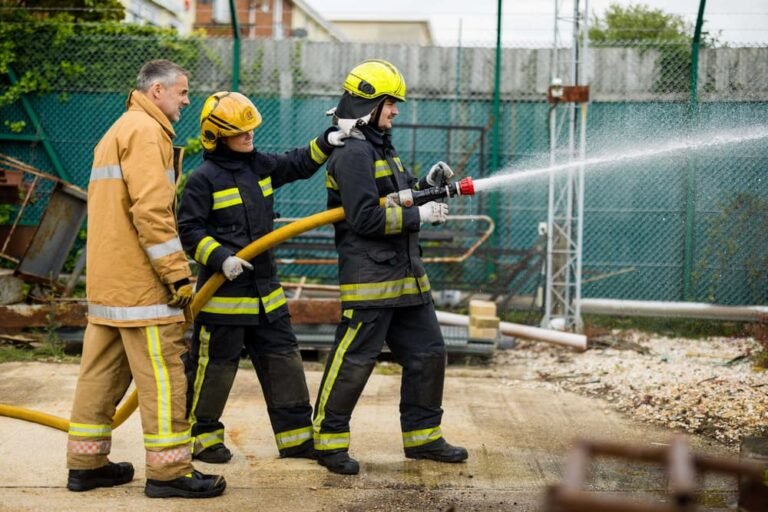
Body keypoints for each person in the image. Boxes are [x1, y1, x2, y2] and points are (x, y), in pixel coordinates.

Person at [66, 59, 226, 499]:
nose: (187, 101)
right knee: (163, 376)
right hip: (142, 288)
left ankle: (86, 464)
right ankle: (170, 474)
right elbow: (152, 212)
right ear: (157, 90)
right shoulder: (146, 132)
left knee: (99, 375)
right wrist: (178, 276)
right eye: (182, 92)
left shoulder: (120, 128)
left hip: (108, 282)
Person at [312, 59, 468, 475]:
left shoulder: (379, 143)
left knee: (429, 353)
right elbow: (363, 217)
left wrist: (425, 187)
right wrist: (423, 215)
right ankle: (328, 442)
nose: (396, 110)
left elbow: (395, 197)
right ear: (368, 104)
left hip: (405, 278)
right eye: (390, 103)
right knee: (354, 361)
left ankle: (423, 438)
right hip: (370, 280)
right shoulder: (353, 153)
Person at [177, 91, 346, 463]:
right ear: (216, 135)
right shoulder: (203, 180)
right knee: (214, 370)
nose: (249, 135)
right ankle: (202, 438)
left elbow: (297, 163)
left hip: (267, 296)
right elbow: (189, 229)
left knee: (285, 362)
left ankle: (296, 439)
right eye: (241, 131)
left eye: (251, 128)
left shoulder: (259, 166)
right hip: (223, 298)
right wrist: (220, 258)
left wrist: (327, 140)